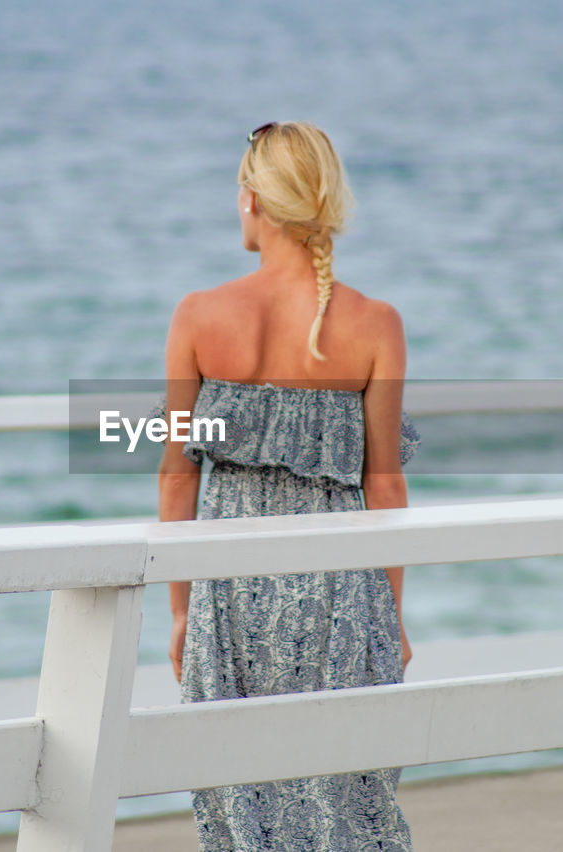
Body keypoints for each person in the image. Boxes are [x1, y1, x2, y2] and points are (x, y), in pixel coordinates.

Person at [157, 120, 418, 851]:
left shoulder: (200, 317)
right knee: (349, 815)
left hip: (227, 597)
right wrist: (389, 616)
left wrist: (181, 615)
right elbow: (386, 489)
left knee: (241, 816)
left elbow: (176, 479)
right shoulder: (376, 324)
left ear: (252, 200)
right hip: (344, 601)